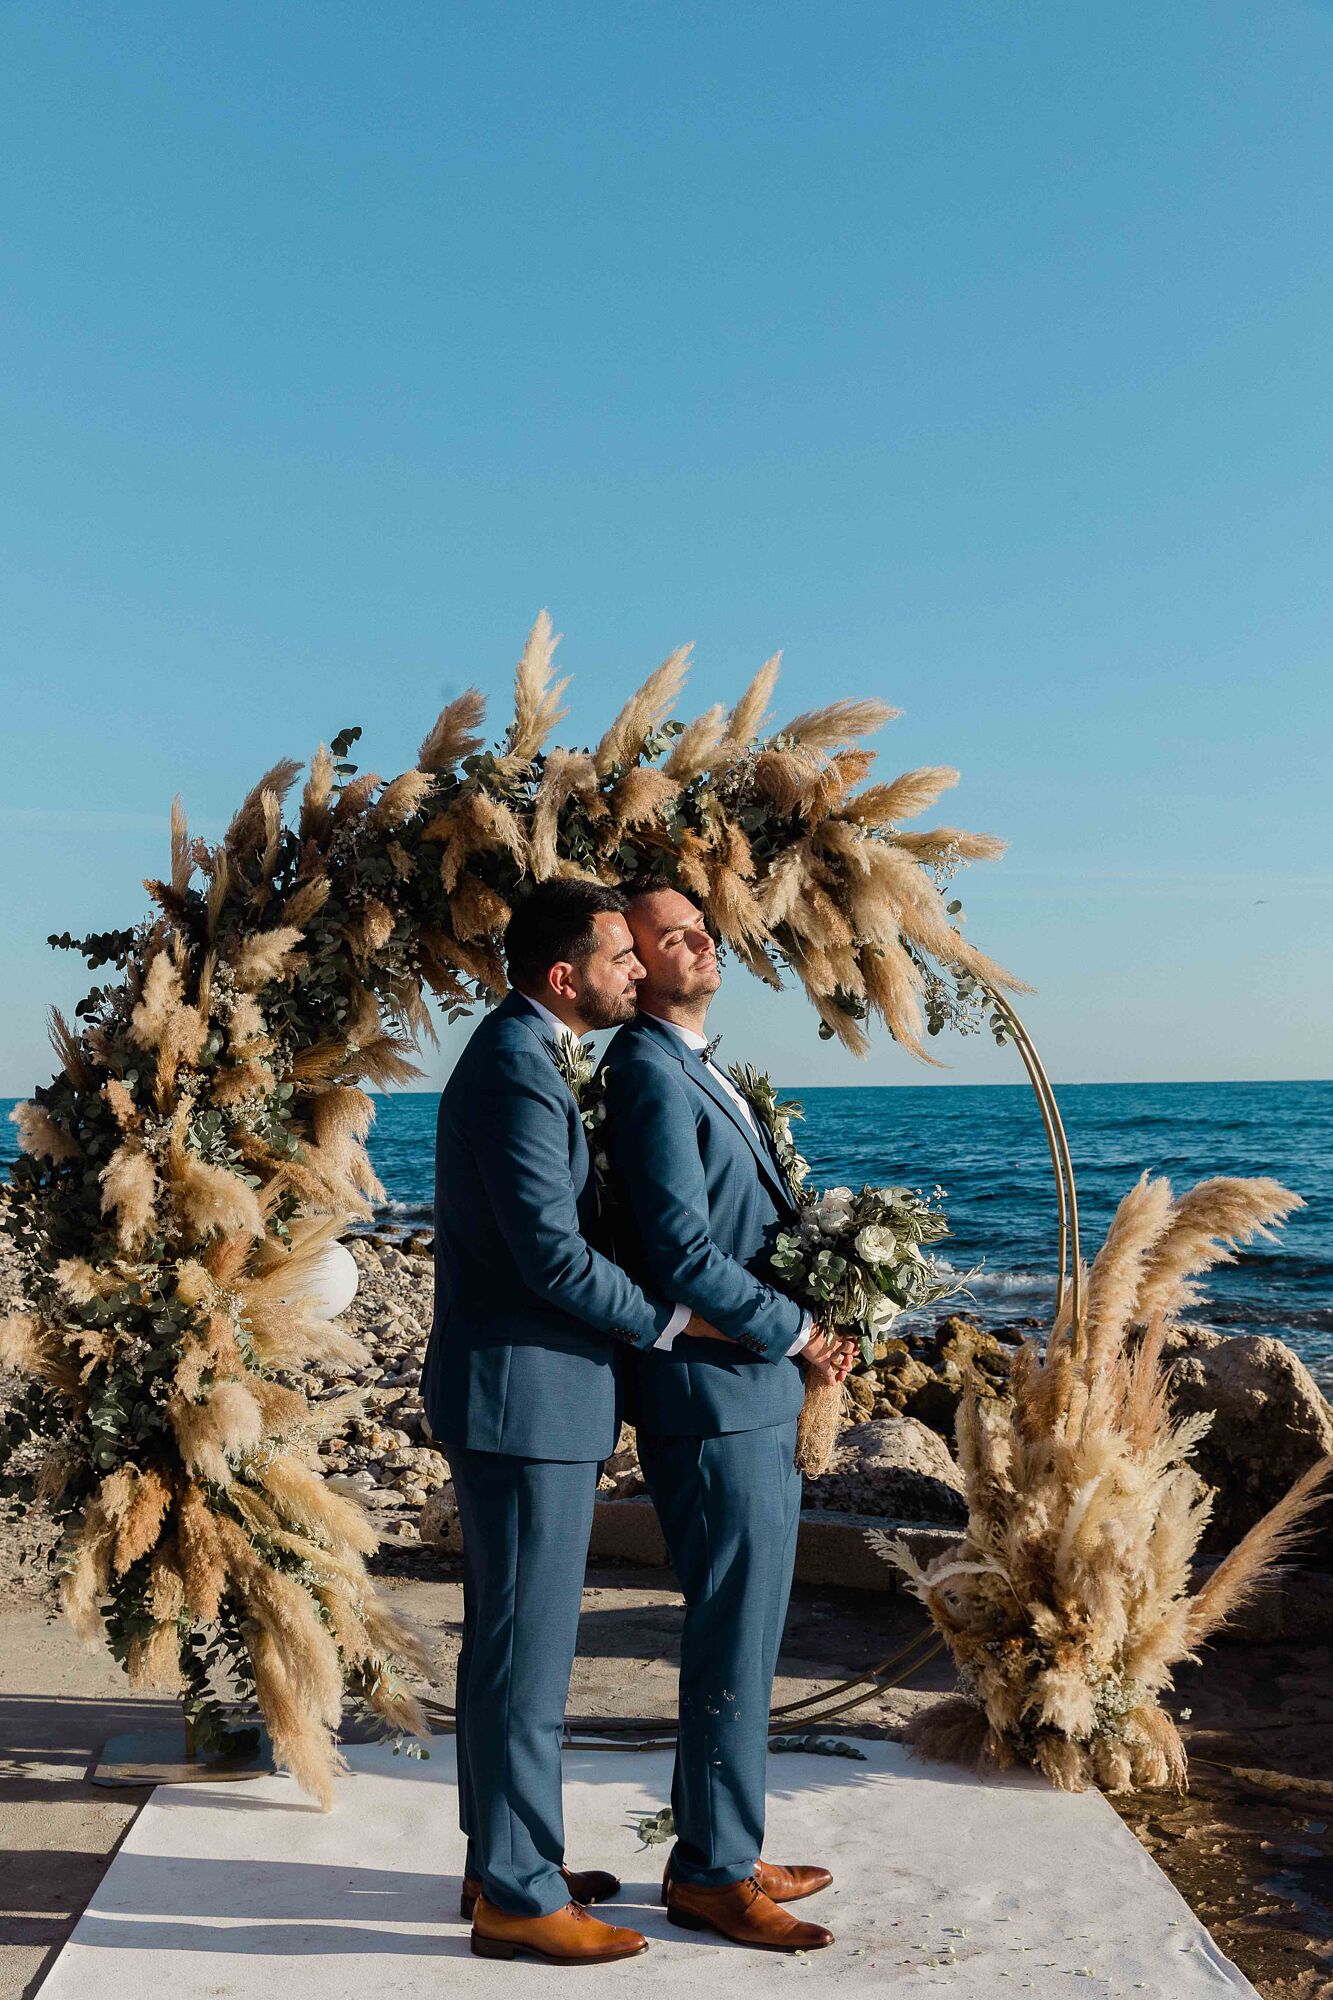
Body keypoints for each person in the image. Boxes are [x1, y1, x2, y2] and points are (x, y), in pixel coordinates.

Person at [421, 878, 721, 1967]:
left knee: (513, 1647)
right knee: (522, 1653)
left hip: (528, 1396)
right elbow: (550, 1255)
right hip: (523, 1397)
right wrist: (673, 1319)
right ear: (565, 976)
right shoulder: (512, 1069)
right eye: (619, 957)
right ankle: (515, 1892)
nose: (638, 968)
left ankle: (504, 1856)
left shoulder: (523, 1052)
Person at [601, 879, 855, 1954]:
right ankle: (708, 1872)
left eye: (703, 926)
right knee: (730, 1634)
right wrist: (798, 1331)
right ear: (636, 962)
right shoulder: (650, 1074)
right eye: (672, 935)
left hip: (751, 1393)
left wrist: (837, 1300)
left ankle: (725, 1839)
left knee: (749, 1634)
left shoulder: (698, 1068)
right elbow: (681, 1254)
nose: (702, 941)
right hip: (712, 1402)